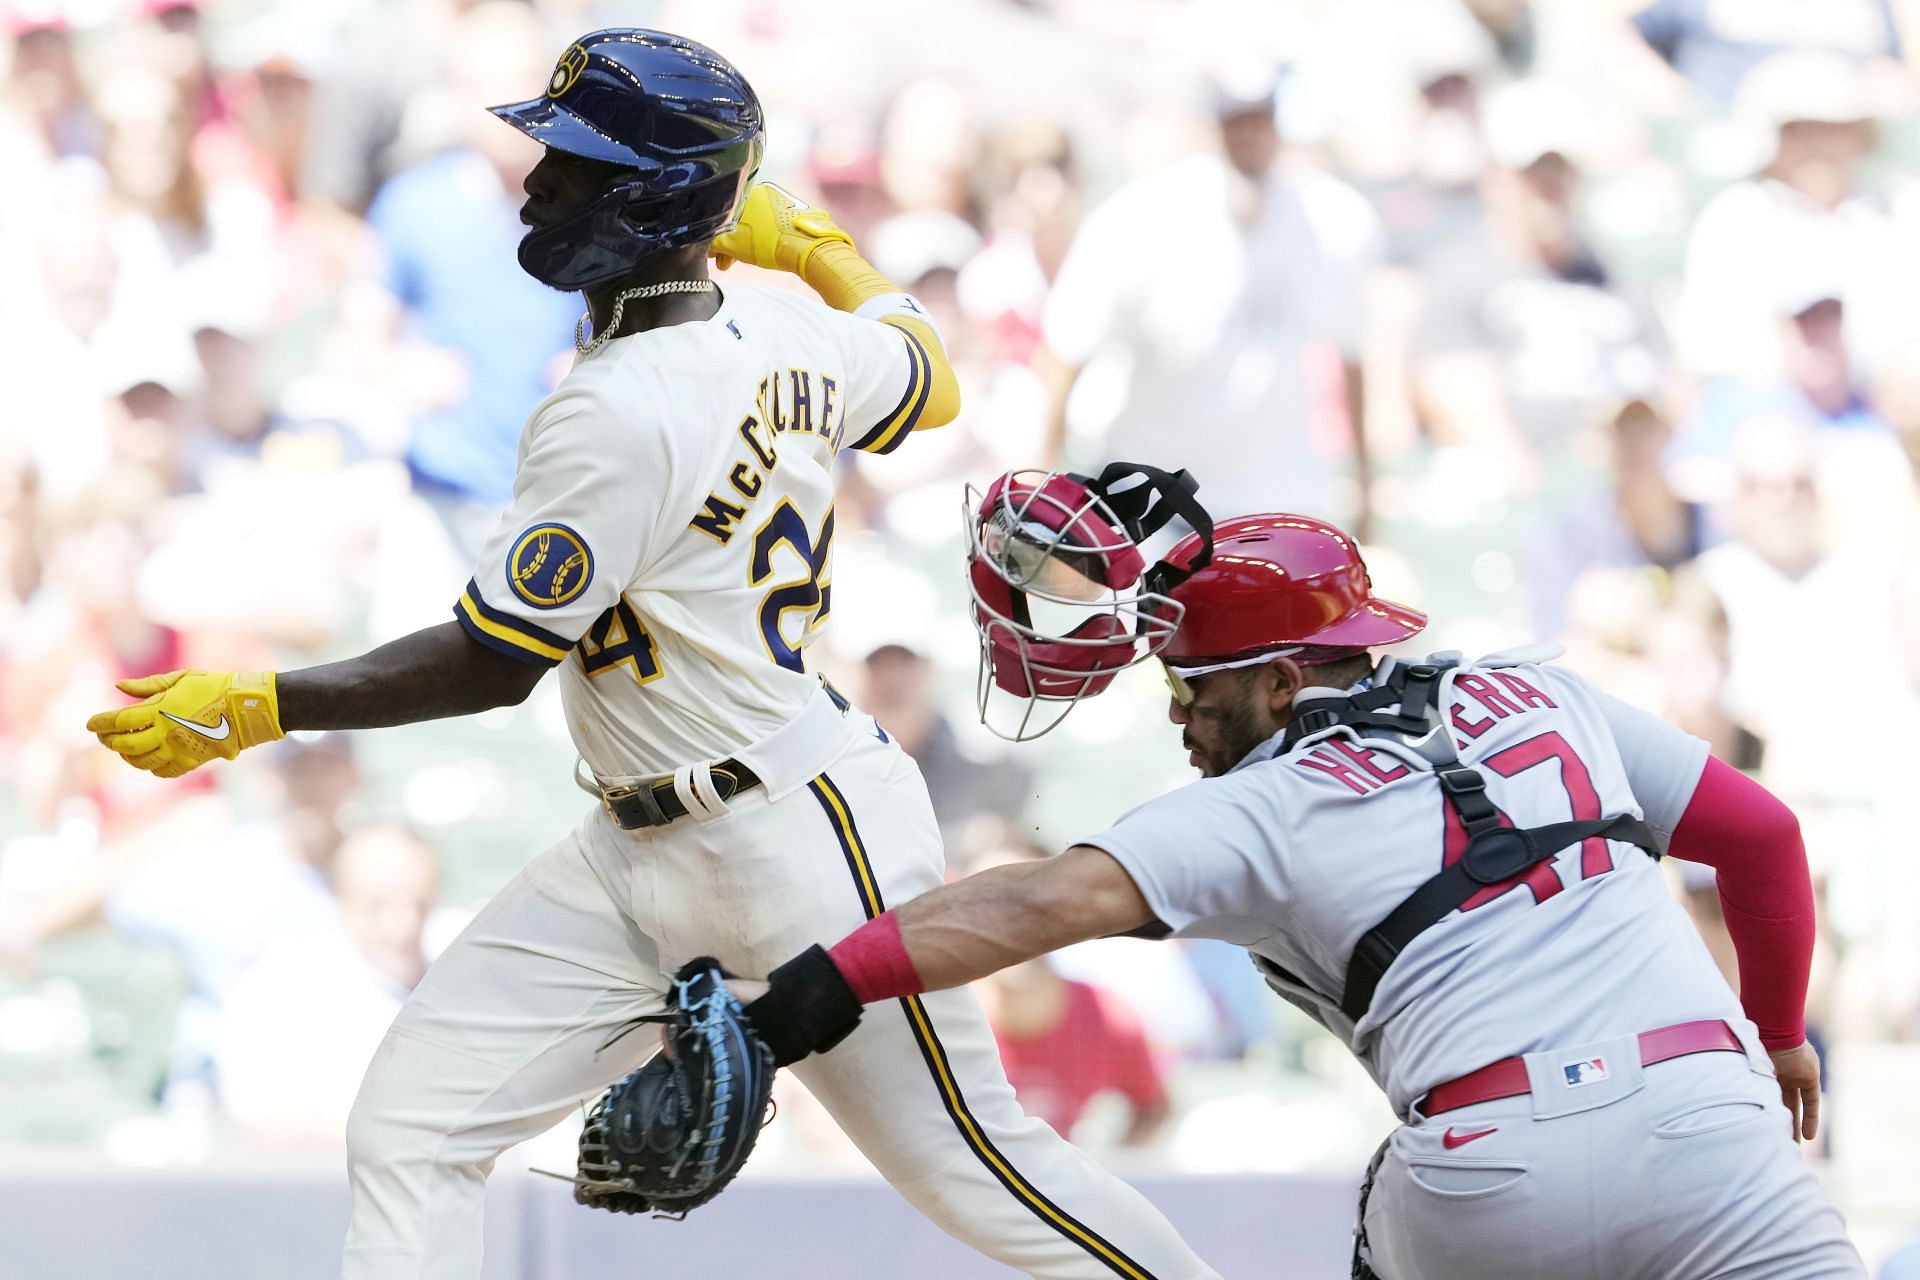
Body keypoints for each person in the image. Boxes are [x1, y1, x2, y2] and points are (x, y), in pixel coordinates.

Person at [85, 30, 1215, 1280]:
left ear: (650, 199)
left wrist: (265, 702)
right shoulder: (788, 332)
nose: (535, 182)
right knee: (413, 1122)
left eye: (572, 164)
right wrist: (819, 251)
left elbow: (494, 659)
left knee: (981, 1170)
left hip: (800, 835)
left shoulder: (612, 404)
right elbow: (930, 381)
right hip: (637, 848)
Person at [739, 476, 1865, 1280]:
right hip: (1707, 1124)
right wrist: (1776, 1033)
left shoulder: (1255, 808)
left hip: (1489, 1167)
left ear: (1282, 681)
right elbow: (1761, 837)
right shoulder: (1542, 691)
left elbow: (1034, 902)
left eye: (1196, 688)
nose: (1178, 714)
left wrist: (805, 995)